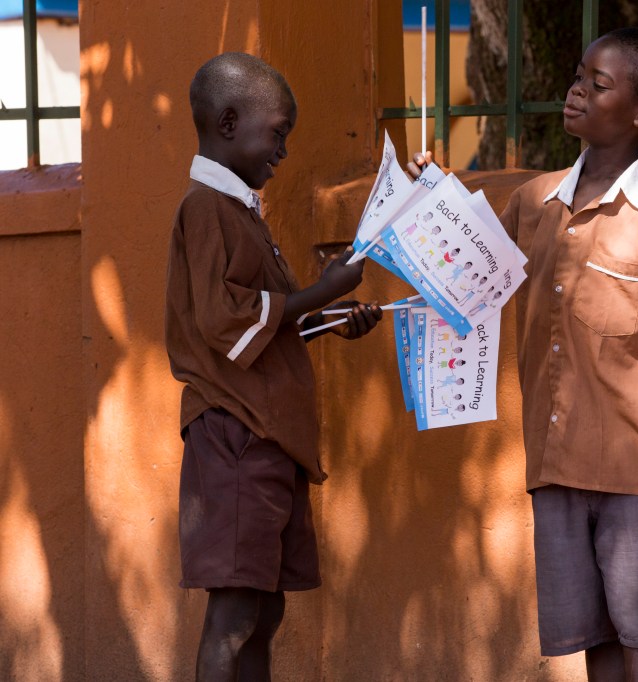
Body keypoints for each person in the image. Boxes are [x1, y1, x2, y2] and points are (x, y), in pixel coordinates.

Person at [417, 26, 638, 681]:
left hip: (635, 466)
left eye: (598, 83)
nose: (576, 90)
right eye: (578, 75)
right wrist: (430, 199)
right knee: (593, 639)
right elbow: (470, 267)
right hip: (555, 463)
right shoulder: (534, 202)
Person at [165, 52, 382, 681]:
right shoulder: (205, 207)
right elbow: (224, 321)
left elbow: (272, 325)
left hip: (267, 437)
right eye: (279, 132)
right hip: (235, 434)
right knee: (233, 614)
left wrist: (332, 318)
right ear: (229, 123)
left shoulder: (242, 211)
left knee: (265, 608)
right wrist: (324, 292)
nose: (284, 150)